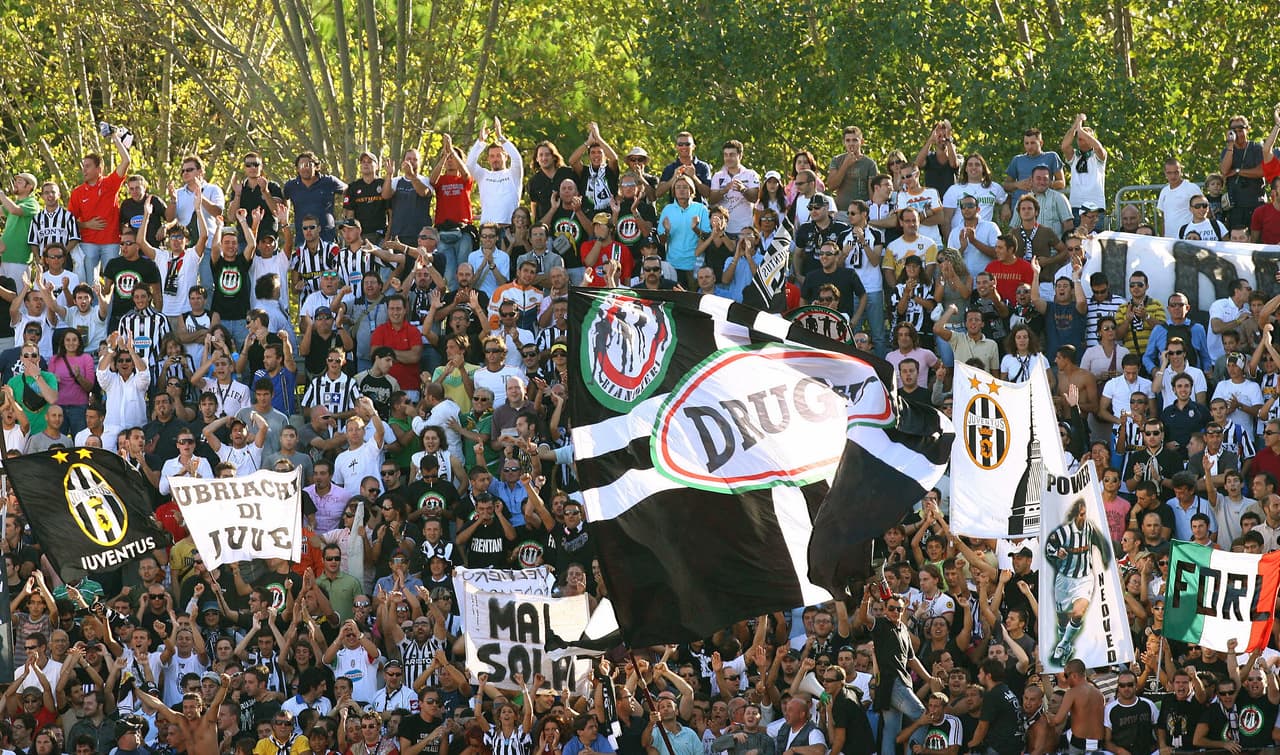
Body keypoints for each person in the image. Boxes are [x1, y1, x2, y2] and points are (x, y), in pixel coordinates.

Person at [854, 589, 937, 755]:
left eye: (899, 609)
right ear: (885, 610)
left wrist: (930, 679)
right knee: (923, 716)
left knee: (891, 731)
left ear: (903, 610)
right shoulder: (881, 625)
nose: (895, 612)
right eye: (891, 608)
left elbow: (912, 660)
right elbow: (864, 618)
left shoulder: (904, 630)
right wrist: (865, 599)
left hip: (892, 685)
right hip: (893, 683)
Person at [1044, 498, 1113, 663]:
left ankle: (1063, 645)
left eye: (1085, 514)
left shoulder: (1090, 527)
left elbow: (1102, 543)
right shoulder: (1063, 532)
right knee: (1062, 618)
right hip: (1064, 579)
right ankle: (1066, 645)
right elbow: (1048, 549)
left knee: (1078, 613)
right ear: (1075, 515)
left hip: (1084, 578)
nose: (1084, 517)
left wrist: (1107, 562)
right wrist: (1056, 553)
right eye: (1081, 514)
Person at [1046, 660, 1105, 755]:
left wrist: (1046, 719)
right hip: (1098, 743)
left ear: (1074, 675)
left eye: (1066, 675)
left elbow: (1057, 720)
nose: (1065, 679)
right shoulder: (1099, 693)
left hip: (1079, 744)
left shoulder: (1072, 693)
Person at [1061, 113, 1109, 223]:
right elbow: (1064, 146)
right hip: (1076, 205)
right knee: (1076, 238)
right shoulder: (1075, 156)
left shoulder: (1097, 156)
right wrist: (1076, 126)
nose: (1081, 139)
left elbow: (1097, 147)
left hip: (1095, 206)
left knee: (1094, 238)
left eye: (1085, 137)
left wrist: (1081, 130)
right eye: (1079, 138)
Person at [1156, 158, 1201, 238]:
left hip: (1188, 237)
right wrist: (1163, 237)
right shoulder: (1164, 191)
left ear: (1181, 171)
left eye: (1176, 172)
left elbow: (1205, 211)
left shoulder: (1192, 188)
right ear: (1165, 173)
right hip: (1169, 238)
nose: (1173, 176)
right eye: (1169, 173)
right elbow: (1163, 219)